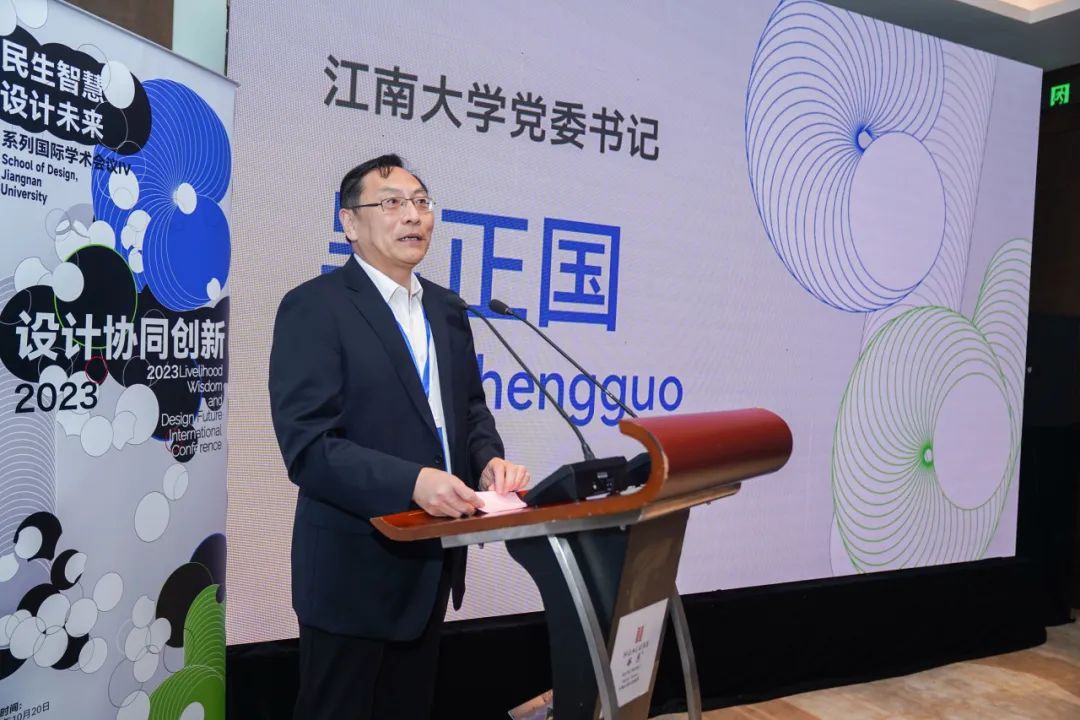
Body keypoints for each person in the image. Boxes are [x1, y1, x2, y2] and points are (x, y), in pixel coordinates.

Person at [269, 153, 530, 719]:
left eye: (421, 202)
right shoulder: (315, 308)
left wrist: (488, 461)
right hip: (352, 571)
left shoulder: (447, 308)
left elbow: (469, 410)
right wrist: (411, 482)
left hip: (430, 565)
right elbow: (308, 447)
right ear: (349, 222)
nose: (413, 215)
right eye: (391, 203)